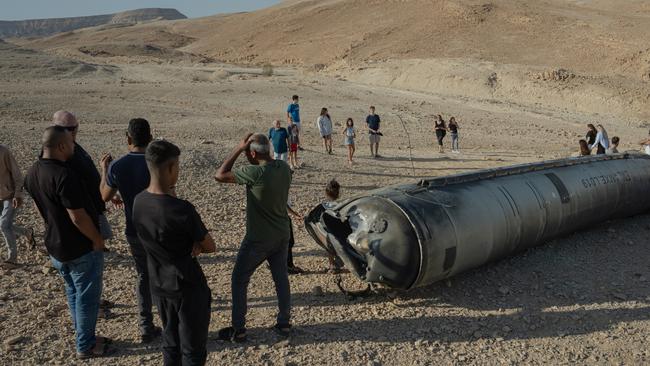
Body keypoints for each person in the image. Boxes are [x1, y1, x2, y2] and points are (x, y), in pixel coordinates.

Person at [24, 126, 109, 359]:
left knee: (73, 292)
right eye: (72, 143)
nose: (74, 146)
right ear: (61, 146)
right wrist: (97, 239)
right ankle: (85, 345)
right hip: (79, 247)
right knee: (87, 298)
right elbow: (77, 216)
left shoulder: (32, 172)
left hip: (56, 246)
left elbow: (40, 208)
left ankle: (85, 335)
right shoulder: (64, 175)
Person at [132, 140, 216, 365]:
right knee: (193, 351)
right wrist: (194, 243)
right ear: (170, 168)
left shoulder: (138, 202)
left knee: (170, 345)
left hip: (159, 285)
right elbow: (210, 246)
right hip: (187, 287)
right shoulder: (183, 210)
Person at [215, 133, 293, 342]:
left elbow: (220, 174)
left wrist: (238, 149)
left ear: (252, 153)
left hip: (259, 238)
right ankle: (284, 324)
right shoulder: (284, 168)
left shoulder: (255, 172)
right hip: (282, 234)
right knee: (281, 279)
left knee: (239, 279)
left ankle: (238, 329)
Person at [98, 118, 161, 343]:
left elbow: (103, 197)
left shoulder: (118, 166)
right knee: (162, 274)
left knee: (143, 276)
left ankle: (146, 326)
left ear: (127, 139)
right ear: (151, 138)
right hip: (159, 230)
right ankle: (169, 321)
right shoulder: (157, 163)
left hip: (134, 229)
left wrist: (104, 171)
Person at [52, 111, 112, 241]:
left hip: (94, 206)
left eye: (74, 127)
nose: (74, 131)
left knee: (105, 235)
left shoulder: (72, 146)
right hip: (84, 212)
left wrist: (107, 192)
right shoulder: (61, 154)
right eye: (70, 129)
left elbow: (89, 177)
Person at [0, 145, 34, 266]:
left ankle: (12, 259)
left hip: (10, 195)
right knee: (6, 225)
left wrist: (18, 194)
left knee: (4, 225)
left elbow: (17, 175)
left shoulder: (4, 152)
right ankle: (27, 232)